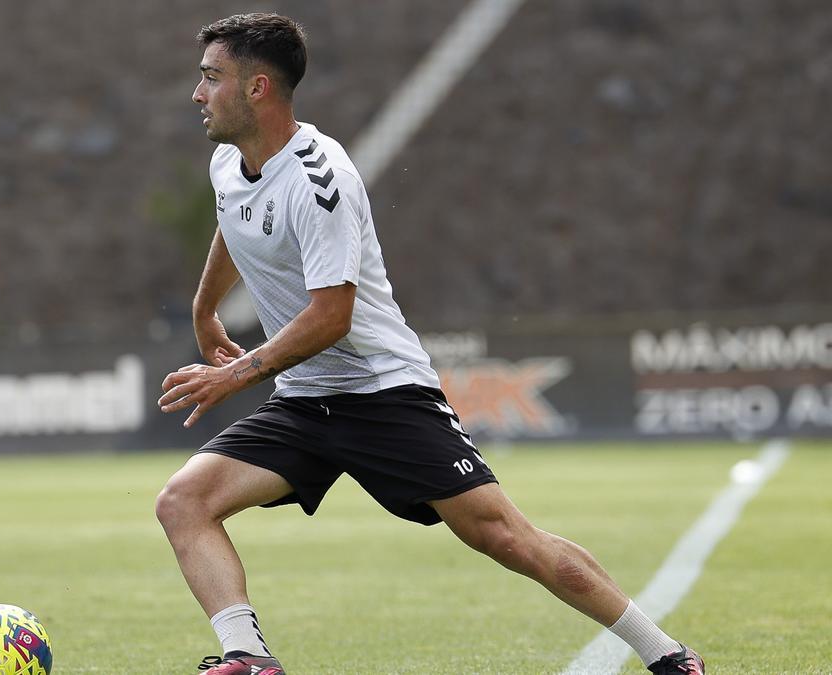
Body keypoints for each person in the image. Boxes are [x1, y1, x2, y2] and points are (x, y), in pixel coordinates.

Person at [156, 13, 704, 675]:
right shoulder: (228, 161)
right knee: (183, 502)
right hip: (306, 400)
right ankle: (249, 656)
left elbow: (332, 316)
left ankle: (667, 654)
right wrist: (205, 305)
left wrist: (237, 372)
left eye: (212, 78)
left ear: (259, 89)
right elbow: (233, 219)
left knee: (502, 536)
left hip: (385, 393)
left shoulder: (320, 179)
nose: (197, 93)